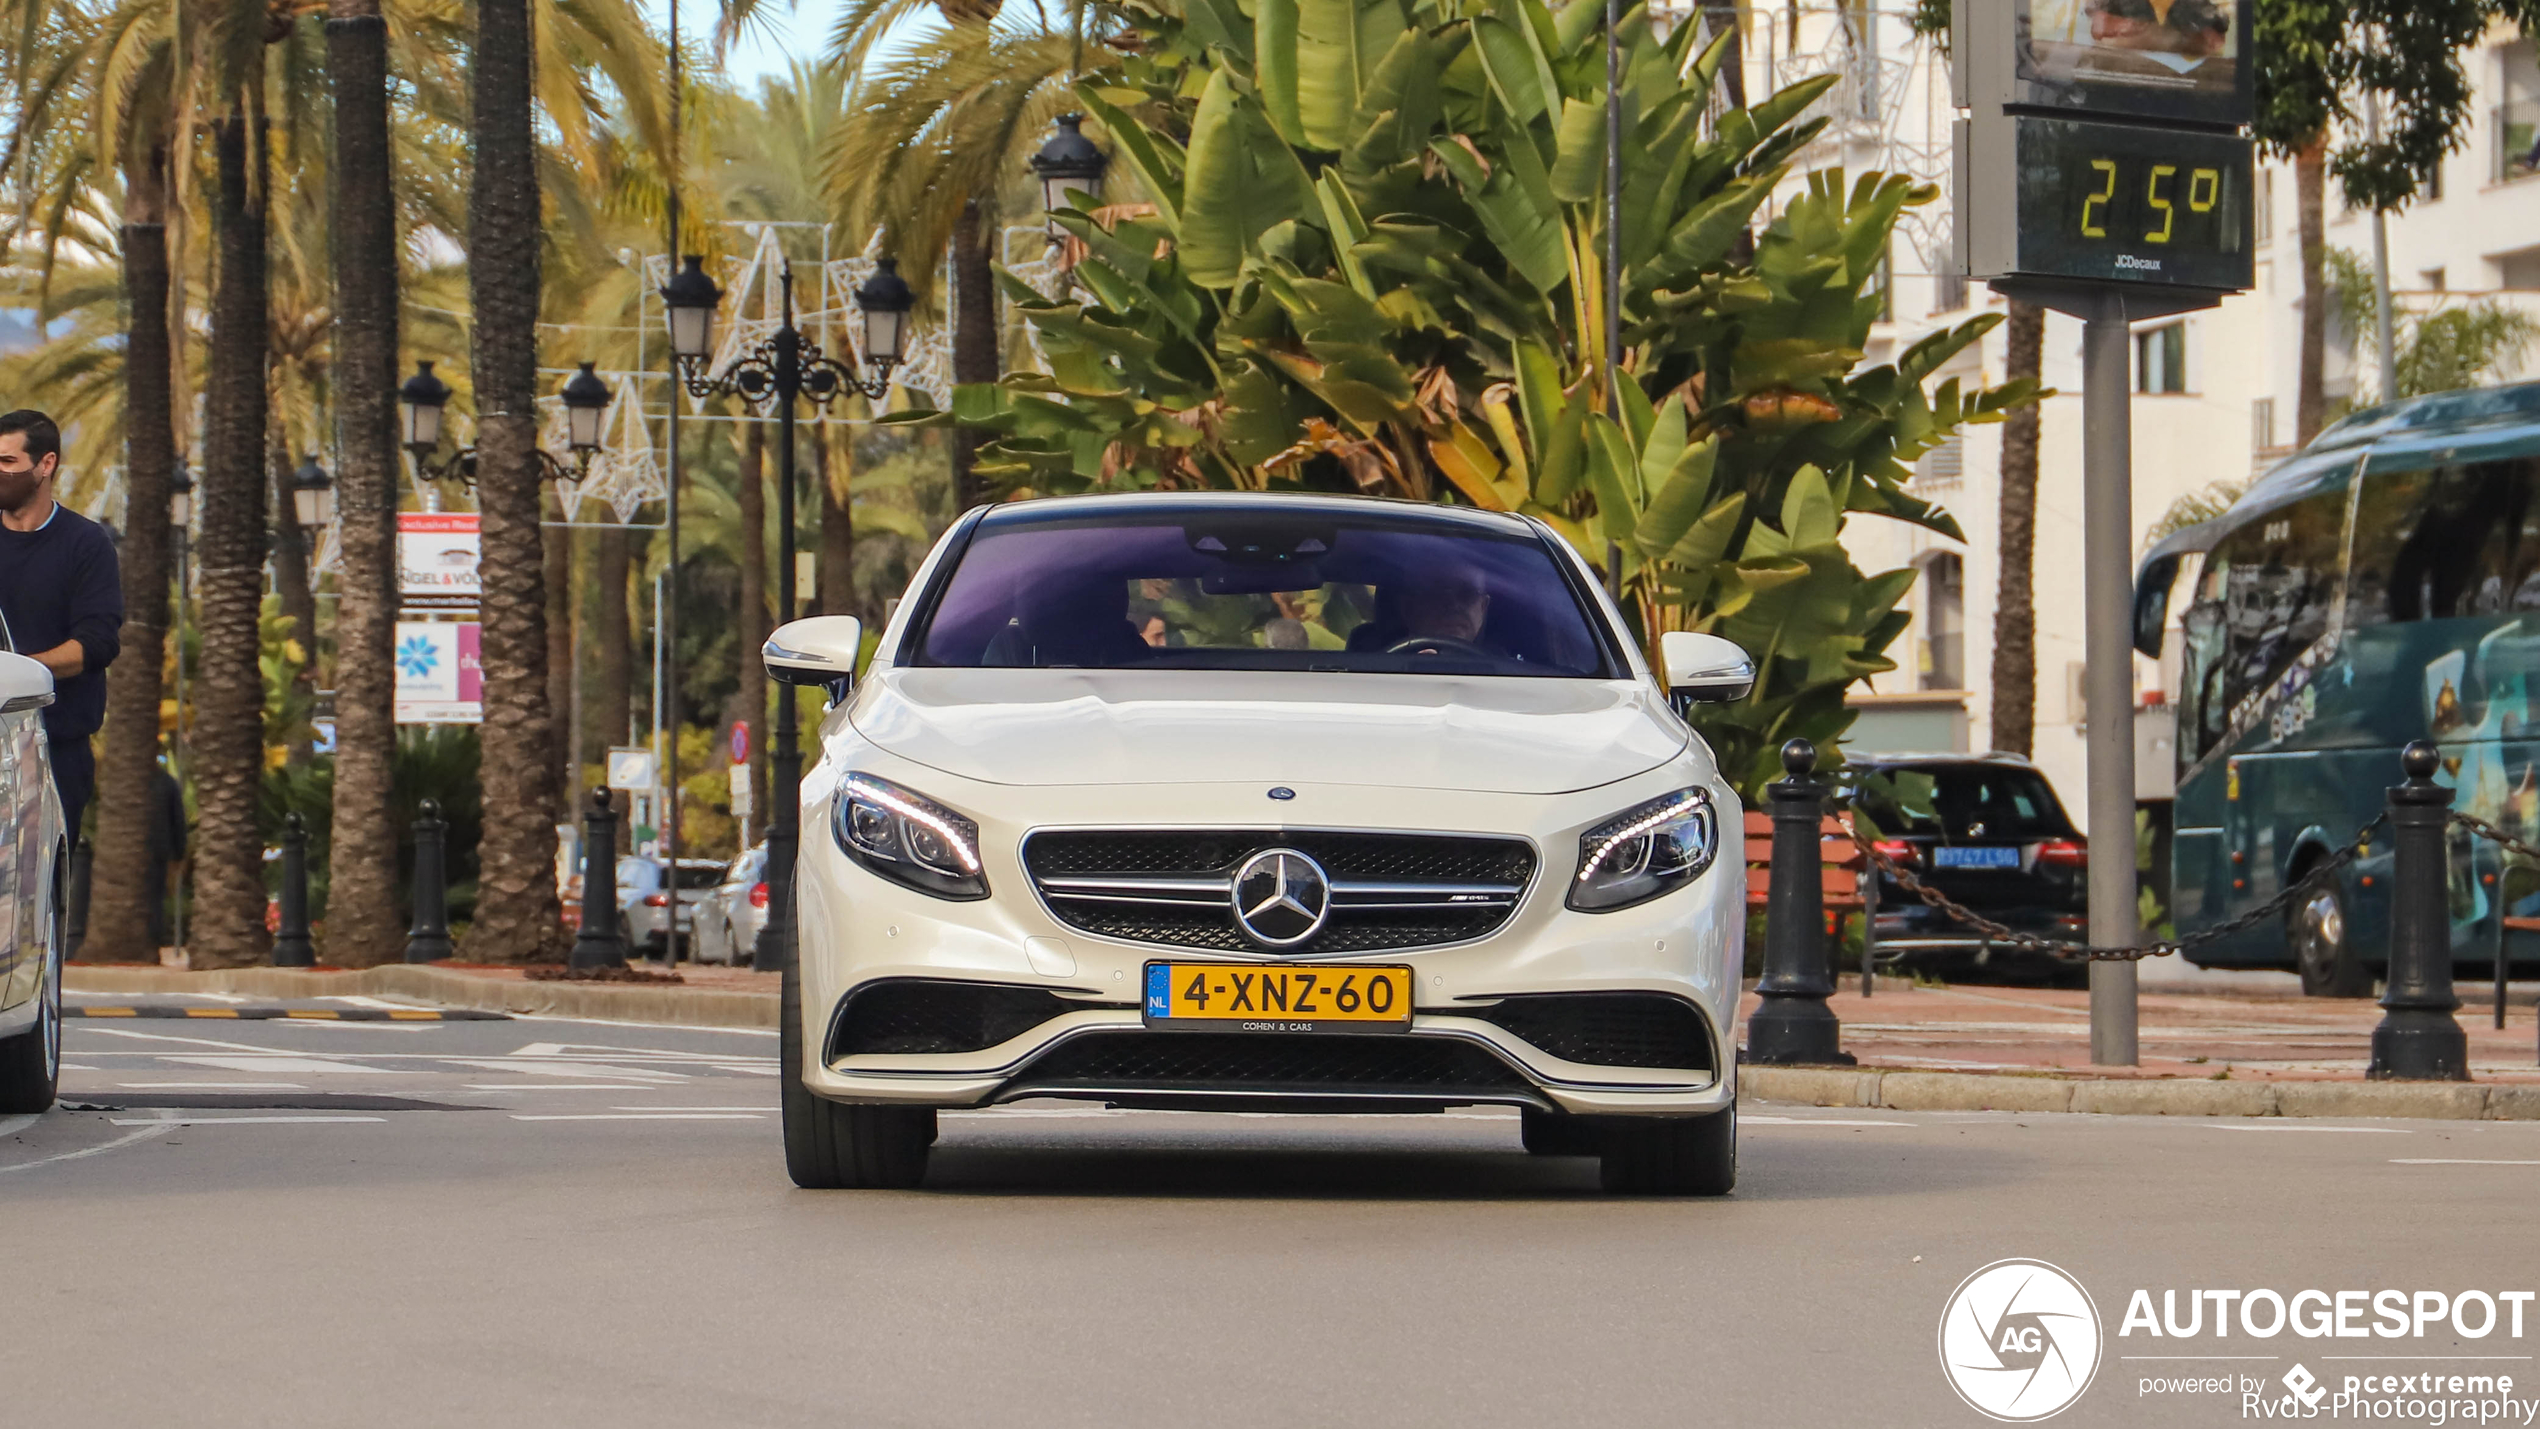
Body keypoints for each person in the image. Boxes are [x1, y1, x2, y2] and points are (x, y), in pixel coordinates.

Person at [0, 409, 123, 837]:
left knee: (37, 895)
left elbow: (97, 643)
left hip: (53, 752)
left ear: (46, 464)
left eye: (8, 462)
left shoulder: (86, 544)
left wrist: (18, 674)